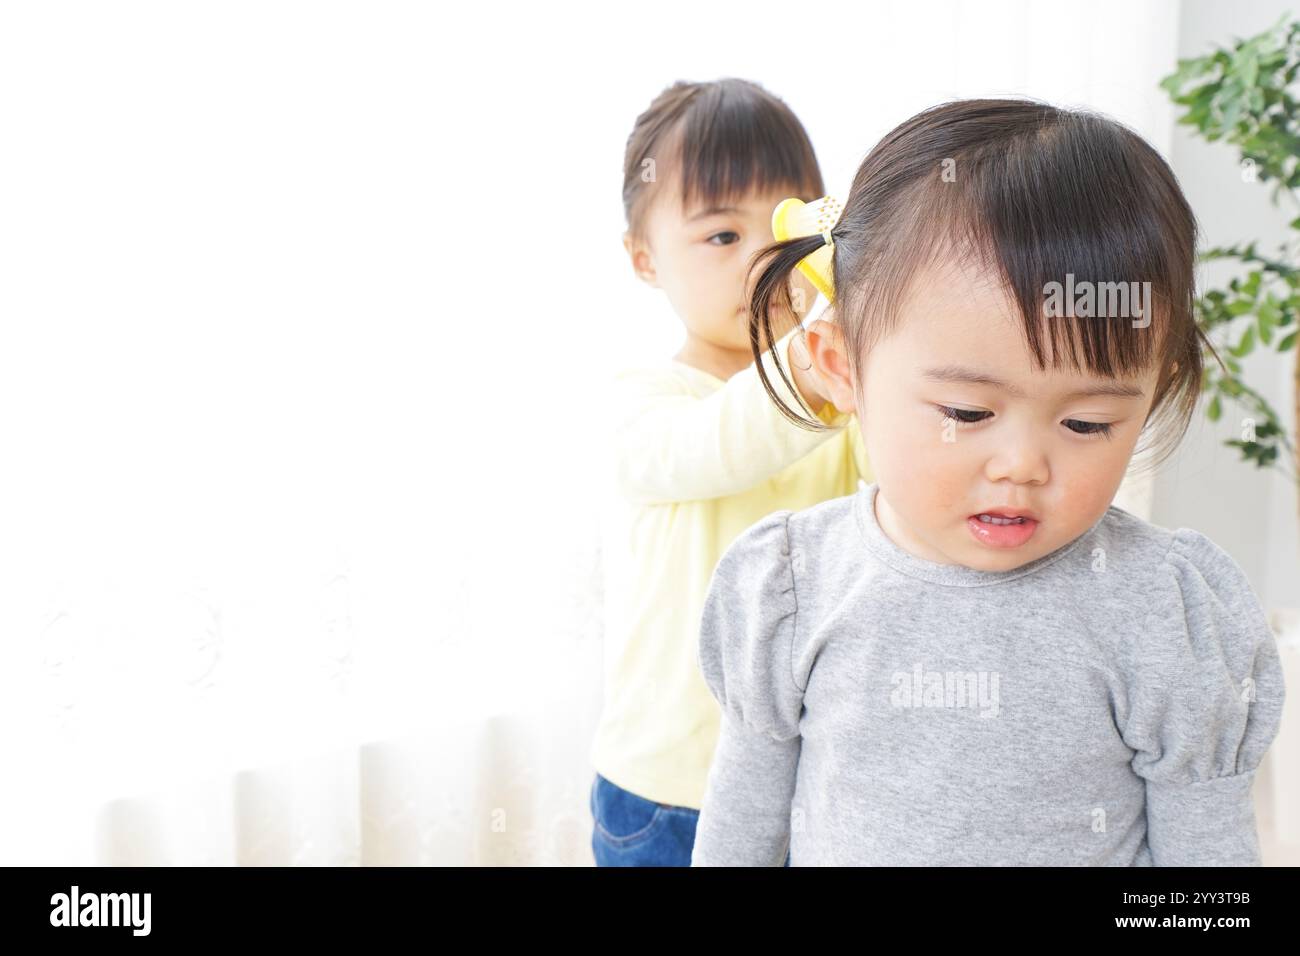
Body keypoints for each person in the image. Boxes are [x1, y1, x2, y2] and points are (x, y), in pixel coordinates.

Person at [690, 98, 1287, 866]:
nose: (1022, 466)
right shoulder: (791, 588)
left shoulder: (1165, 610)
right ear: (842, 367)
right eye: (969, 412)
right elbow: (740, 832)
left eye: (1087, 424)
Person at [587, 78, 872, 866]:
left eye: (786, 227)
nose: (762, 261)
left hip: (808, 778)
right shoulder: (645, 404)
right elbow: (717, 443)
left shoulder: (839, 396)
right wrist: (818, 372)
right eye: (720, 236)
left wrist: (883, 367)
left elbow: (894, 497)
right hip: (671, 792)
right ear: (645, 259)